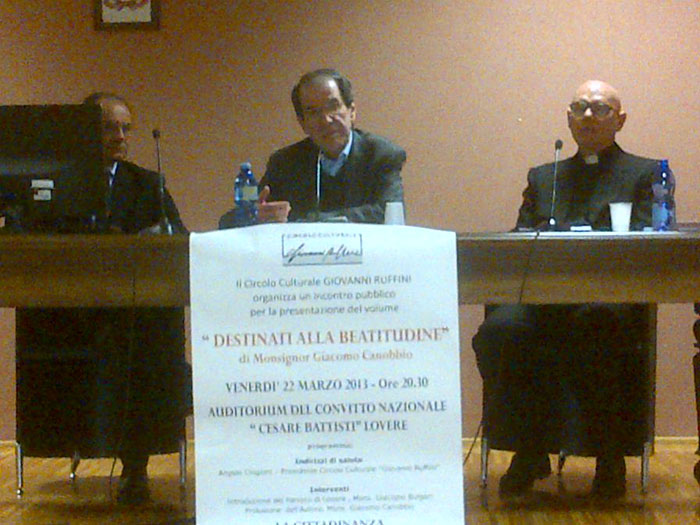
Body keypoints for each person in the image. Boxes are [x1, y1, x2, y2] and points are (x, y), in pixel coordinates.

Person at [472, 80, 659, 498]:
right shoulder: (545, 177)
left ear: (620, 120)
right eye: (580, 107)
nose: (588, 116)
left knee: (597, 325)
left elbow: (646, 245)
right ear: (568, 118)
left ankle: (609, 456)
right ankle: (529, 449)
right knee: (499, 331)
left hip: (606, 300)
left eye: (600, 108)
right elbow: (520, 240)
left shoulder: (644, 173)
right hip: (542, 302)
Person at [15, 92, 189, 505]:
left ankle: (135, 468)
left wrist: (154, 237)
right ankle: (65, 444)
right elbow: (28, 234)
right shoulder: (51, 181)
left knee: (145, 356)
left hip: (133, 314)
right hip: (67, 312)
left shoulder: (146, 183)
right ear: (82, 133)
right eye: (109, 127)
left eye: (126, 128)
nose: (120, 137)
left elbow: (177, 236)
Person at [219, 68, 406, 227]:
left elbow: (389, 213)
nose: (326, 120)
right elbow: (229, 220)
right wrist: (253, 215)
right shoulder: (284, 163)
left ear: (352, 111)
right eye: (313, 112)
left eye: (333, 106)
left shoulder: (382, 155)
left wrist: (312, 221)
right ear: (302, 123)